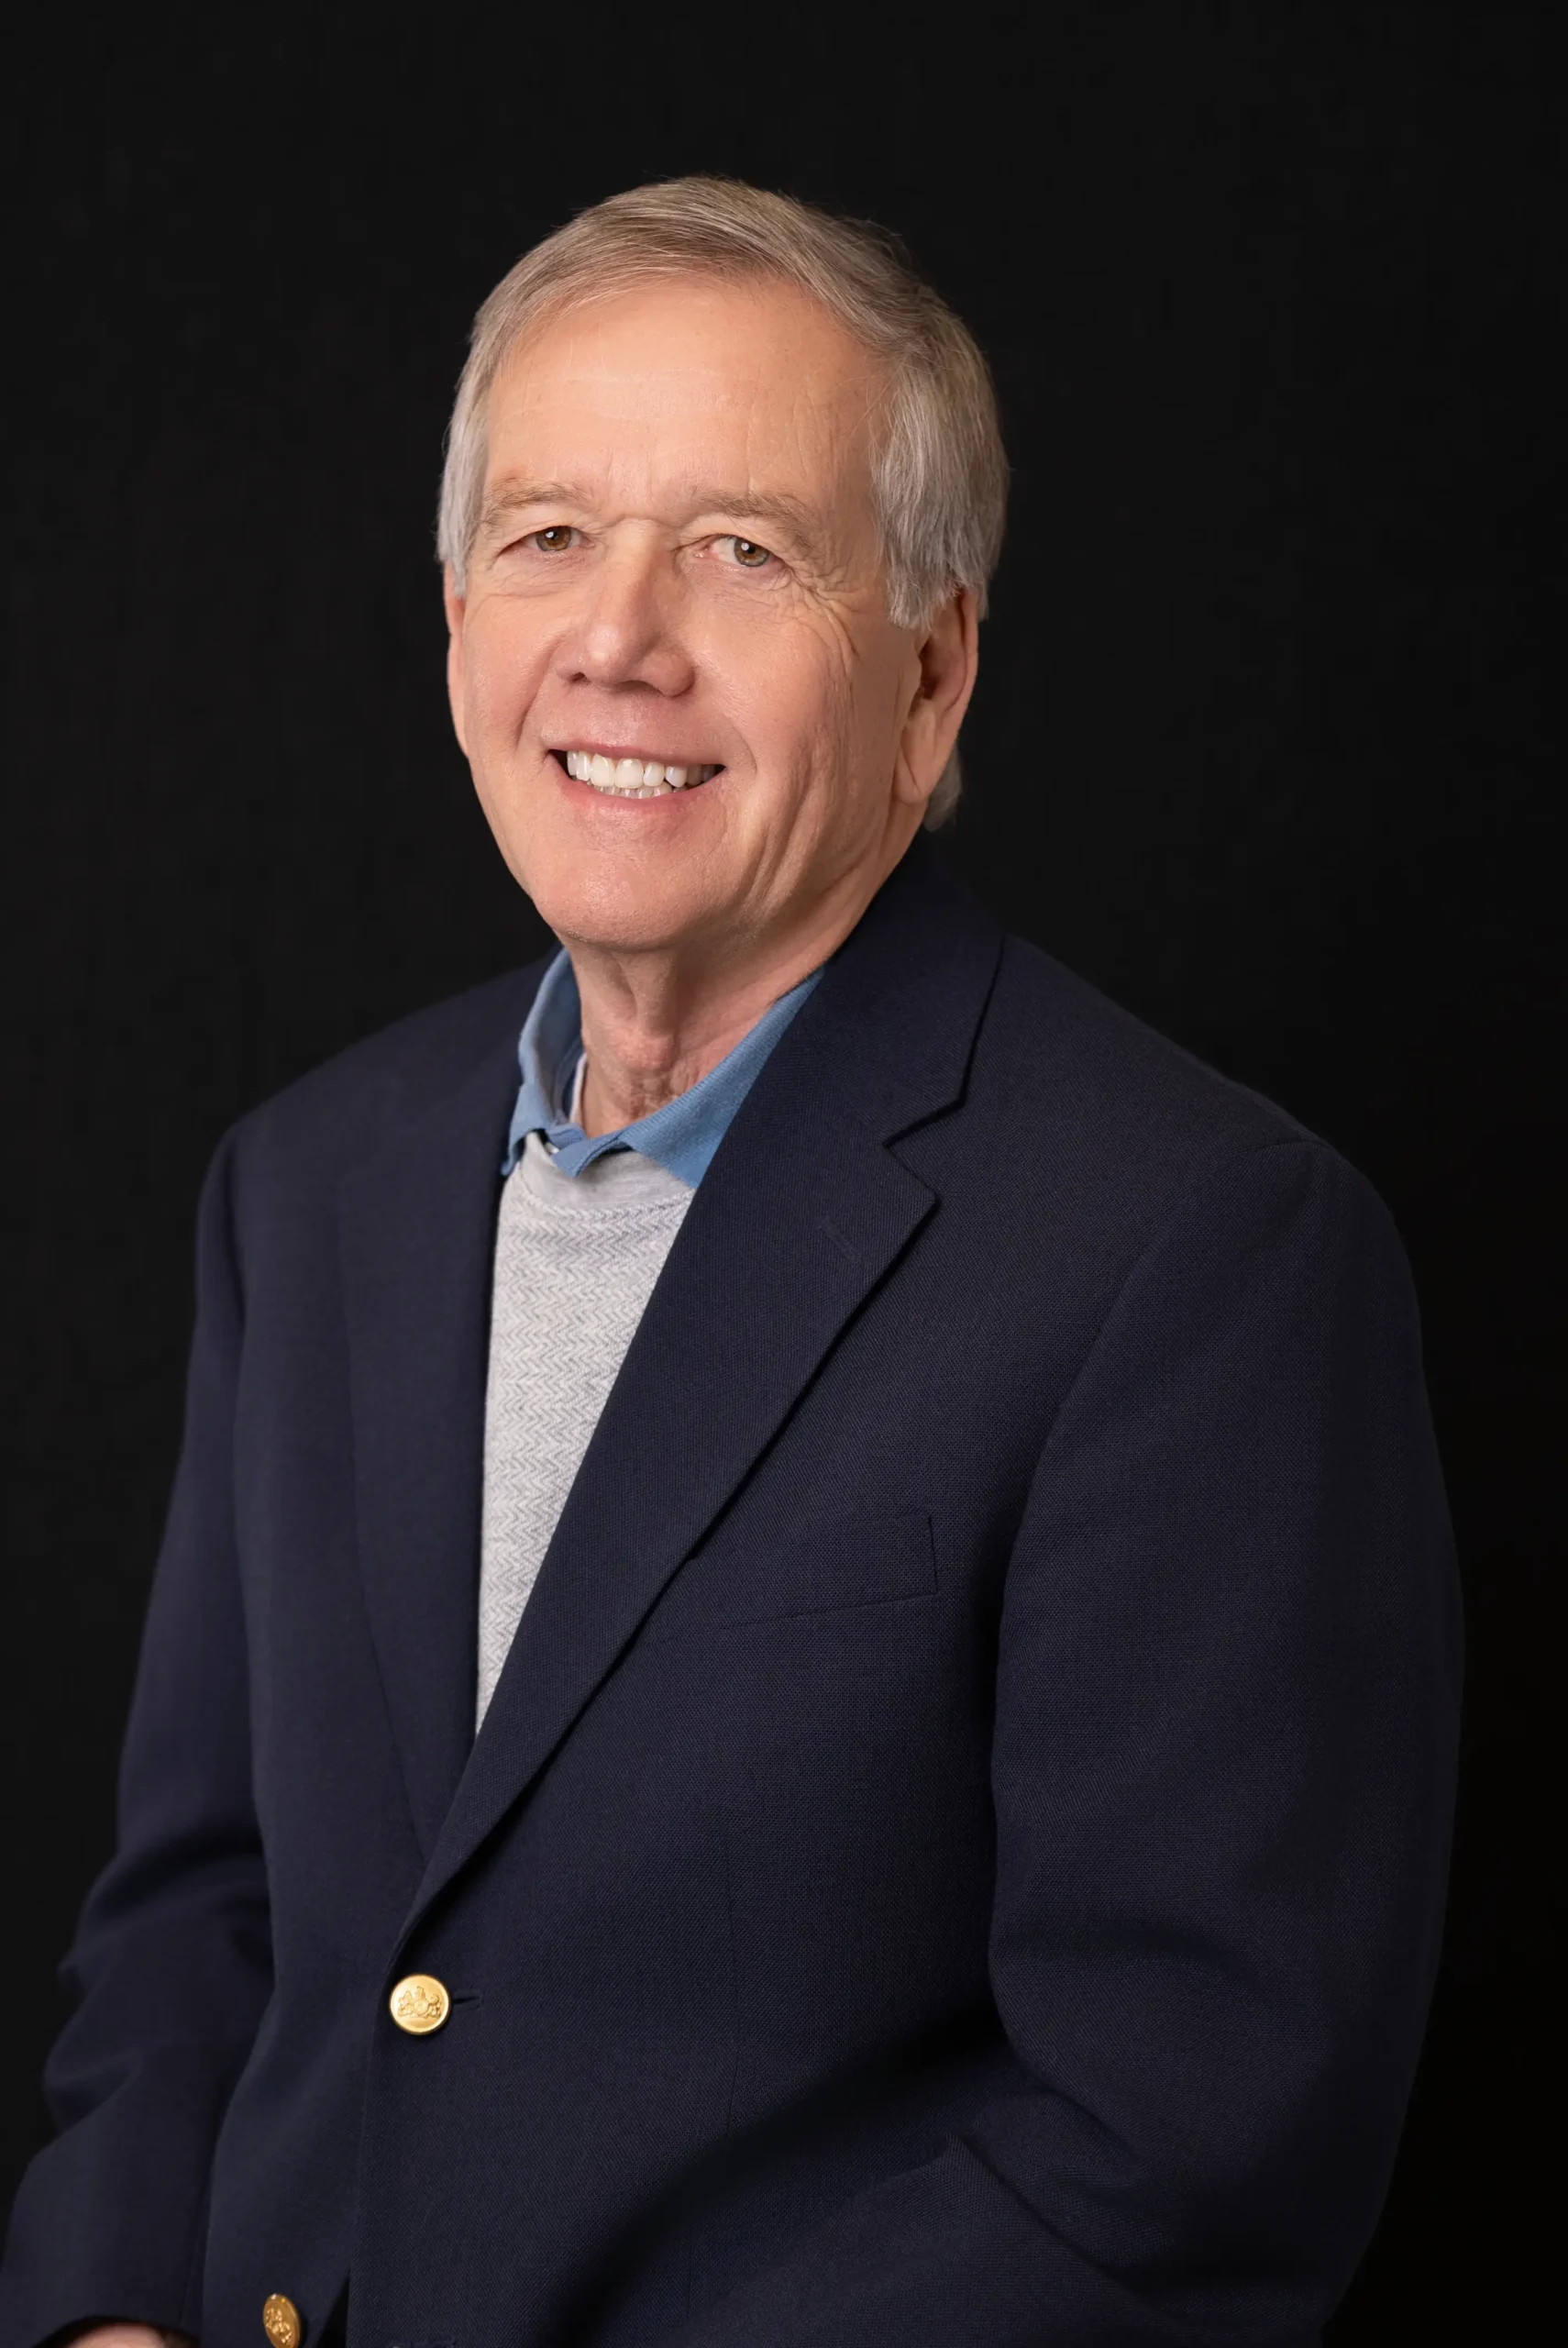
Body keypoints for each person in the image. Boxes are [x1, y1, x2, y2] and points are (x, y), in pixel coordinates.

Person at [0, 178, 1460, 2348]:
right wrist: (112, 2310)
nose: (621, 634)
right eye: (548, 532)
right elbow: (207, 1909)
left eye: (745, 548)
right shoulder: (306, 1184)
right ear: (456, 616)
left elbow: (1186, 2143)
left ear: (933, 669)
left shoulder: (1198, 1249)